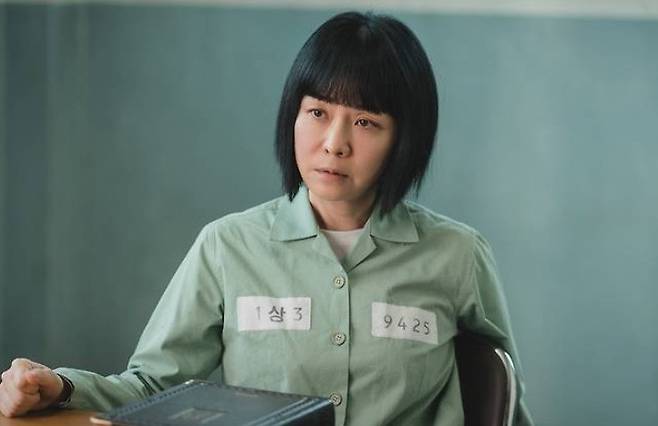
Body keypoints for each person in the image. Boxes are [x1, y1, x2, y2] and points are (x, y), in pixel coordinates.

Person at [0, 11, 533, 426]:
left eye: (366, 122)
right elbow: (152, 388)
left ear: (405, 139)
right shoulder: (227, 246)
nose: (334, 143)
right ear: (292, 116)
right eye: (318, 112)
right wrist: (61, 387)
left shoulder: (457, 255)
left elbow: (504, 404)